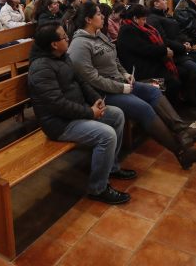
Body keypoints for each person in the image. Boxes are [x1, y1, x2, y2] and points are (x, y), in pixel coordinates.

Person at [68, 1, 196, 169]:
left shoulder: (99, 34)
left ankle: (183, 130)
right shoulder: (80, 45)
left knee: (153, 92)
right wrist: (121, 87)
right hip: (103, 94)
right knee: (145, 107)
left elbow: (114, 59)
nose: (102, 16)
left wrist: (125, 74)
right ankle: (181, 152)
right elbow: (92, 79)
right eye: (99, 14)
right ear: (88, 19)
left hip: (121, 82)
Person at [28, 23, 135, 205]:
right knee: (106, 135)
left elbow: (81, 81)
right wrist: (89, 113)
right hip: (58, 123)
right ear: (54, 44)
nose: (67, 38)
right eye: (63, 37)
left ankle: (111, 168)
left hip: (76, 112)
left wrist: (96, 100)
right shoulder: (41, 68)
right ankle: (97, 188)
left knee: (116, 114)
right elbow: (57, 105)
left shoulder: (62, 56)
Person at [116, 5, 184, 103]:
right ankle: (170, 111)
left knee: (182, 72)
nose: (145, 22)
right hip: (140, 74)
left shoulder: (135, 27)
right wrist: (164, 51)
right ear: (135, 18)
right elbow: (144, 49)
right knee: (172, 83)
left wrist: (164, 50)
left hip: (148, 65)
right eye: (143, 19)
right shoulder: (127, 30)